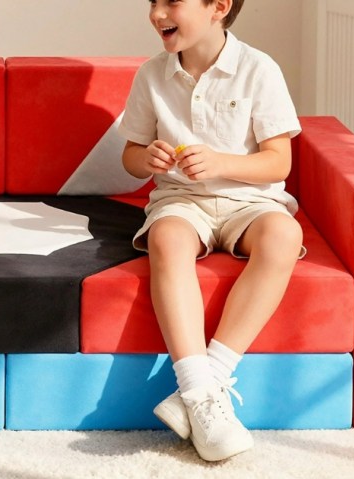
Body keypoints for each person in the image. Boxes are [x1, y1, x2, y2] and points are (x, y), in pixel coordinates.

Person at [119, 0, 303, 462]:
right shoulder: (151, 75)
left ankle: (202, 387)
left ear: (218, 7)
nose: (157, 12)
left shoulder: (259, 69)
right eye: (152, 2)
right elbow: (130, 154)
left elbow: (279, 161)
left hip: (251, 201)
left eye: (171, 2)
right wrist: (148, 160)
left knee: (285, 236)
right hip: (182, 201)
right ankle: (199, 391)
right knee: (166, 239)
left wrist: (222, 162)